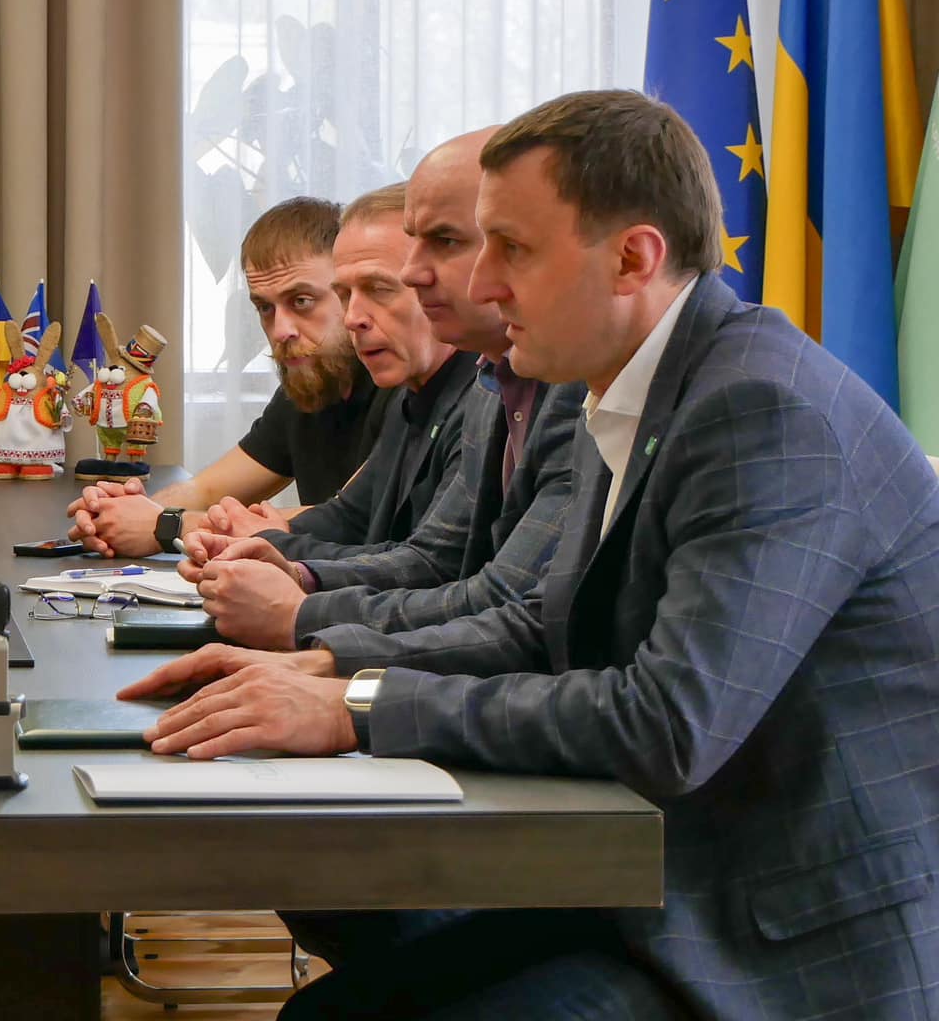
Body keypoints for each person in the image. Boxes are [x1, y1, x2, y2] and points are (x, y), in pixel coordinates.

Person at [131, 92, 939, 1020]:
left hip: (774, 936)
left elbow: (667, 723)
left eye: (509, 249)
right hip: (652, 877)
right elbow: (540, 631)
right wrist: (326, 670)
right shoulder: (629, 388)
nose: (479, 285)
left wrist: (358, 706)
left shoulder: (761, 409)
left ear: (633, 258)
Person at [173, 131, 585, 652]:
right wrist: (293, 569)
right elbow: (429, 556)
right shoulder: (491, 379)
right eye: (346, 294)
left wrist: (307, 625)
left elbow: (501, 601)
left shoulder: (561, 388)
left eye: (447, 242)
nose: (417, 272)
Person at [183, 185, 474, 645]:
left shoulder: (486, 394)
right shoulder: (412, 392)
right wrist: (258, 544)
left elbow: (435, 567)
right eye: (345, 294)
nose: (354, 316)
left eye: (378, 289)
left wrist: (293, 588)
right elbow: (350, 517)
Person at [67, 196, 392, 559]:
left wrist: (166, 524)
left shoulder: (400, 387)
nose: (280, 330)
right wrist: (120, 511)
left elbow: (346, 519)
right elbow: (205, 490)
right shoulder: (308, 384)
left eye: (301, 301)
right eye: (264, 307)